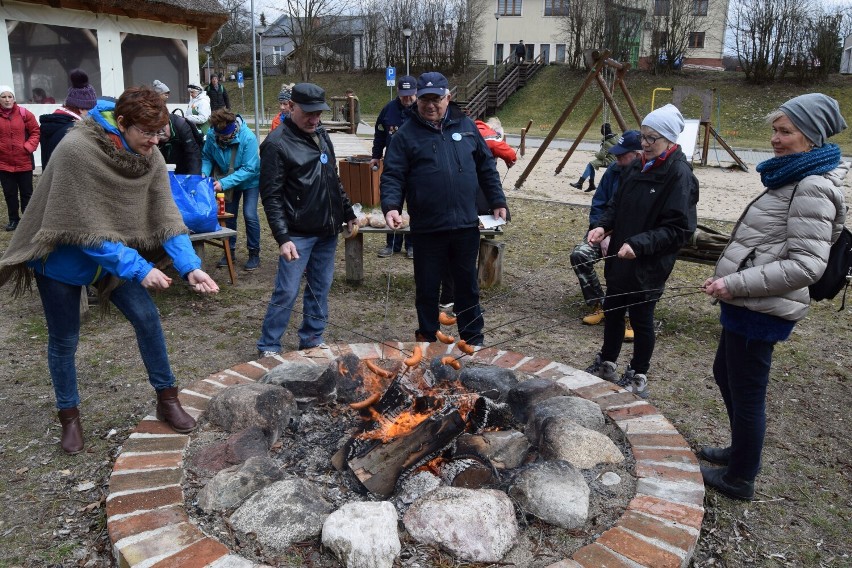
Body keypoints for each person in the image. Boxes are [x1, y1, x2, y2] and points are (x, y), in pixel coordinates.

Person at [0, 86, 219, 455]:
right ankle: (69, 416)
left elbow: (167, 216)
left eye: (159, 133)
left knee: (148, 320)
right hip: (61, 261)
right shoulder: (77, 151)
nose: (154, 142)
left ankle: (167, 399)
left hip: (114, 262)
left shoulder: (148, 156)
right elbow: (82, 228)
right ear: (121, 123)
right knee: (65, 340)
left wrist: (189, 266)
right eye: (146, 133)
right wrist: (139, 267)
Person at [699, 94, 847, 501]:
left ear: (811, 137)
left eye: (785, 131)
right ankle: (739, 452)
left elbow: (806, 266)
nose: (774, 139)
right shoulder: (793, 177)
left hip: (762, 307)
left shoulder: (812, 185)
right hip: (748, 303)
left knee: (747, 392)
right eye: (775, 130)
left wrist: (735, 283)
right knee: (725, 375)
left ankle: (740, 477)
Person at [381, 72, 508, 346]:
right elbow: (392, 175)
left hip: (465, 224)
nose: (430, 105)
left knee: (467, 287)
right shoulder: (405, 135)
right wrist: (391, 206)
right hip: (428, 227)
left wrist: (497, 200)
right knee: (427, 288)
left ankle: (473, 340)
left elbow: (486, 166)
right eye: (425, 99)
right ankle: (427, 339)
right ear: (416, 100)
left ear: (447, 98)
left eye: (436, 99)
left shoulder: (466, 126)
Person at [584, 104, 698, 398]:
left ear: (670, 140)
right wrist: (603, 227)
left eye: (652, 138)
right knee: (612, 309)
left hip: (649, 263)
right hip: (620, 256)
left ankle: (637, 375)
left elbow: (679, 229)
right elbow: (616, 205)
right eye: (644, 136)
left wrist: (639, 244)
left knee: (641, 318)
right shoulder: (635, 166)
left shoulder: (679, 175)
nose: (645, 143)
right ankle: (607, 362)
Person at [256, 83, 356, 356]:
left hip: (327, 229)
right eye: (308, 113)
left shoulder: (322, 134)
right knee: (286, 292)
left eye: (318, 113)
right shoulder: (276, 144)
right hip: (297, 233)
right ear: (291, 107)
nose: (314, 119)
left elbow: (332, 178)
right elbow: (272, 196)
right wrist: (283, 237)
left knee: (320, 288)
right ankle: (269, 345)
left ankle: (312, 338)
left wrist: (347, 212)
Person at [439, 116, 517, 311]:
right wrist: (510, 158)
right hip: (466, 203)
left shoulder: (464, 130)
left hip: (455, 201)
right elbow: (506, 152)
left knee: (453, 253)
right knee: (461, 255)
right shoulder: (486, 134)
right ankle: (461, 301)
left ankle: (451, 297)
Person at [570, 130, 642, 339]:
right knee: (579, 255)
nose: (617, 158)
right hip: (604, 232)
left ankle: (629, 316)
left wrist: (619, 238)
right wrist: (600, 231)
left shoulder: (646, 176)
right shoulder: (613, 170)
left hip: (631, 240)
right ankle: (598, 305)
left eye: (622, 155)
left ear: (637, 154)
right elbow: (599, 205)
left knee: (628, 265)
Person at [202, 108, 261, 270]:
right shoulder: (213, 136)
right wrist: (204, 173)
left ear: (233, 128)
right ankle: (230, 251)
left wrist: (223, 183)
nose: (221, 138)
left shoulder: (248, 138)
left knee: (250, 214)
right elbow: (206, 156)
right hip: (226, 181)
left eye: (224, 136)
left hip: (250, 182)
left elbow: (249, 169)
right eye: (218, 135)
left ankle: (254, 253)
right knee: (228, 215)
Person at [370, 75, 417, 259]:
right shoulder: (388, 110)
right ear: (398, 92)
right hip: (394, 165)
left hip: (416, 167)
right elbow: (379, 134)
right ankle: (392, 244)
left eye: (410, 95)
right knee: (392, 204)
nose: (407, 99)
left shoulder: (422, 110)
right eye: (403, 95)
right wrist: (375, 156)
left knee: (415, 205)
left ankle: (412, 245)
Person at [38, 69, 98, 169]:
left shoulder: (54, 122)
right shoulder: (73, 129)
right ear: (81, 108)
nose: (91, 114)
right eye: (90, 109)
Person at [0, 85, 40, 232]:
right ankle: (13, 220)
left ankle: (28, 221)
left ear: (14, 98)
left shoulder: (24, 114)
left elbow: (35, 131)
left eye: (9, 96)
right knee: (9, 193)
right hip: (4, 163)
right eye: (3, 97)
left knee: (27, 193)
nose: (7, 99)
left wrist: (28, 147)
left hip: (24, 161)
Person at [153, 80, 202, 174]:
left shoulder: (182, 126)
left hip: (183, 165)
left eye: (162, 130)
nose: (160, 136)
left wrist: (194, 179)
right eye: (156, 133)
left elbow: (193, 154)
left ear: (167, 121)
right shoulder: (150, 132)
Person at [570, 122, 618, 192]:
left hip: (610, 161)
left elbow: (601, 156)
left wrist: (596, 154)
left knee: (590, 164)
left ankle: (580, 183)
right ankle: (590, 185)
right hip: (617, 159)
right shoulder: (616, 137)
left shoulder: (606, 143)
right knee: (592, 164)